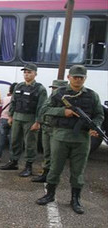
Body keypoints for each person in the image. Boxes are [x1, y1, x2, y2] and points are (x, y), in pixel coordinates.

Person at [36, 65, 104, 214]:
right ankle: (50, 194)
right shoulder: (59, 93)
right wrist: (63, 111)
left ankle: (75, 199)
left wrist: (95, 126)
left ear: (85, 78)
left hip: (82, 139)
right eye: (75, 77)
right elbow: (44, 110)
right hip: (61, 136)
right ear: (69, 77)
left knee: (78, 171)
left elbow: (99, 115)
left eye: (81, 77)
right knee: (55, 168)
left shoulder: (92, 96)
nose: (78, 80)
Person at [0, 63, 47, 177]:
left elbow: (42, 107)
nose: (26, 74)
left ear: (35, 74)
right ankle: (13, 162)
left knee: (30, 143)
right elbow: (14, 102)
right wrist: (10, 116)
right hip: (17, 117)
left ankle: (28, 166)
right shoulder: (19, 86)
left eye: (29, 72)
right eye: (25, 72)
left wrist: (38, 122)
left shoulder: (40, 89)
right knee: (15, 140)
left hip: (30, 119)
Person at [32, 79, 68, 182]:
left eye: (56, 88)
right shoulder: (51, 99)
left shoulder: (67, 102)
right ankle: (46, 173)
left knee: (56, 154)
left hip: (58, 131)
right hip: (46, 128)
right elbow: (43, 110)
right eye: (53, 88)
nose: (54, 90)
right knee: (47, 152)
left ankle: (53, 176)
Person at [0, 82, 17, 162]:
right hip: (13, 120)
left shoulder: (5, 98)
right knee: (12, 139)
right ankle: (11, 159)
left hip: (3, 119)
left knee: (2, 138)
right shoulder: (18, 100)